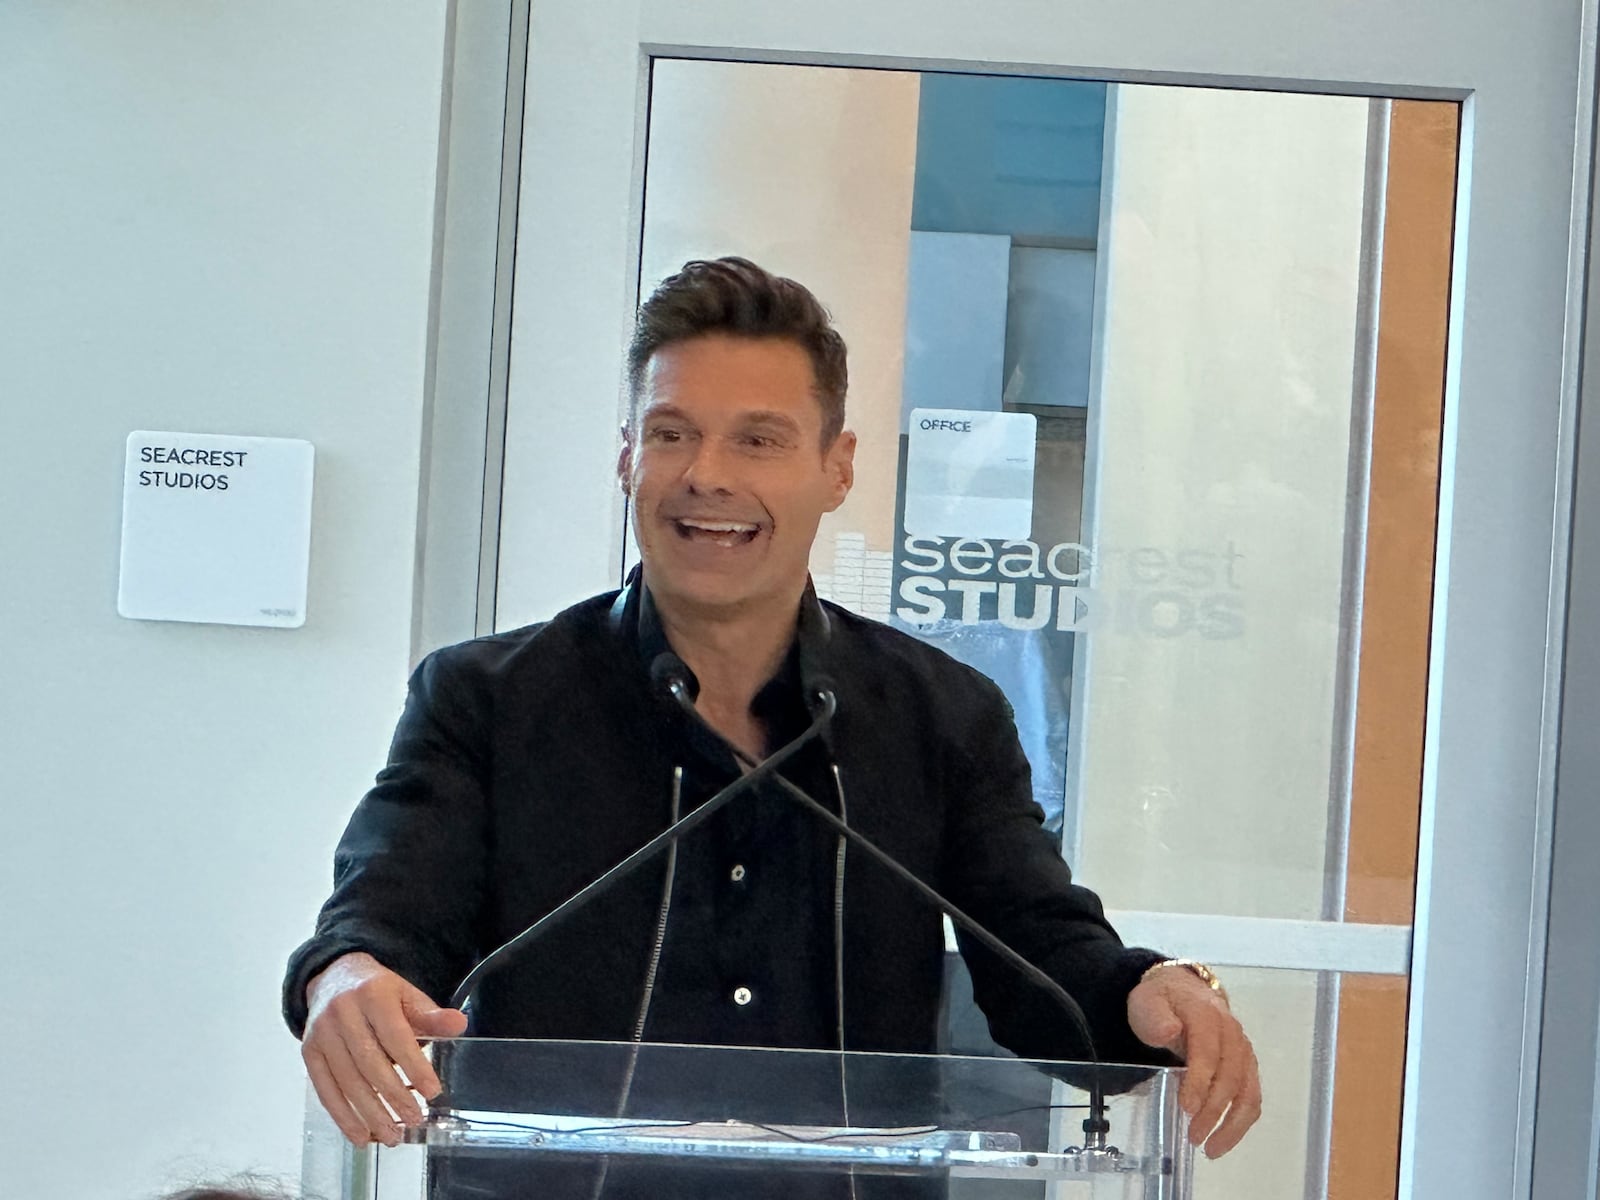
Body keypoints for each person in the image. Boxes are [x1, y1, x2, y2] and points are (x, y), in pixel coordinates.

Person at [284, 258, 1261, 1183]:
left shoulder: (942, 716)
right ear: (627, 458)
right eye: (672, 433)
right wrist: (346, 976)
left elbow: (1047, 969)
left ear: (837, 468)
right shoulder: (486, 700)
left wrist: (1152, 993)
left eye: (758, 439)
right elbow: (385, 920)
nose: (707, 475)